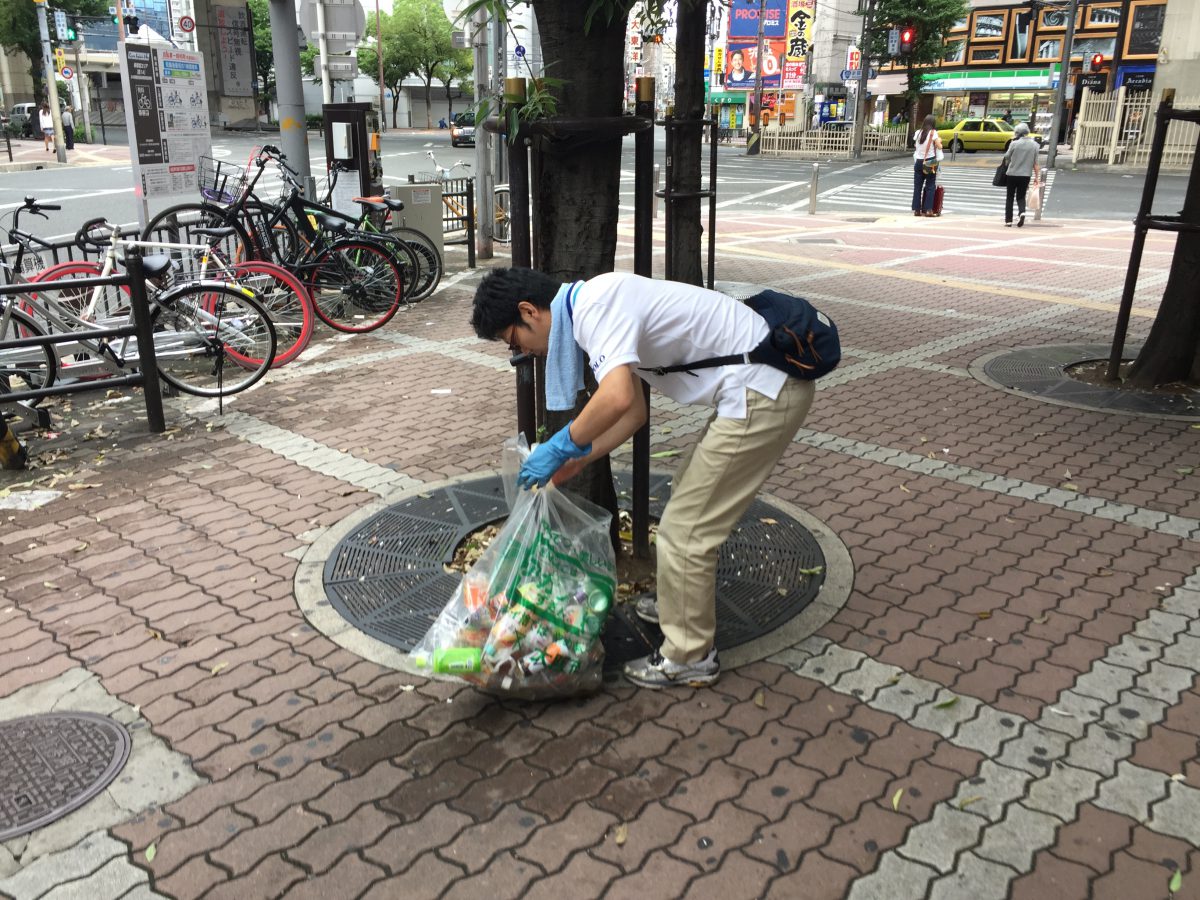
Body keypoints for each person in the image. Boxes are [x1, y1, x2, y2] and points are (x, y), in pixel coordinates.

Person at [471, 268, 817, 688]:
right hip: (751, 391)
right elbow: (635, 411)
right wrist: (582, 457)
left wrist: (560, 445)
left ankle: (690, 656)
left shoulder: (595, 308)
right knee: (687, 495)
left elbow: (616, 397)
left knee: (685, 530)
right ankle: (679, 604)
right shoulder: (594, 303)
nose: (524, 351)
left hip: (762, 392)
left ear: (528, 311)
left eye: (514, 341)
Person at [1002, 122, 1040, 227]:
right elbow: (1036, 164)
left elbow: (1007, 156)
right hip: (1026, 175)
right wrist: (1037, 177)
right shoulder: (1035, 145)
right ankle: (1022, 212)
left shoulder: (1014, 144)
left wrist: (1010, 160)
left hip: (1012, 174)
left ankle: (1008, 221)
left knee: (1010, 197)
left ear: (1017, 133)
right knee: (1021, 196)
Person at [911, 114, 942, 217]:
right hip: (930, 162)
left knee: (917, 187)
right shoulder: (934, 133)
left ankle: (916, 210)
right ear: (933, 123)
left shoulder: (918, 133)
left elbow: (916, 145)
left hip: (919, 162)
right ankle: (928, 210)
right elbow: (939, 146)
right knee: (930, 186)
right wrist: (940, 141)